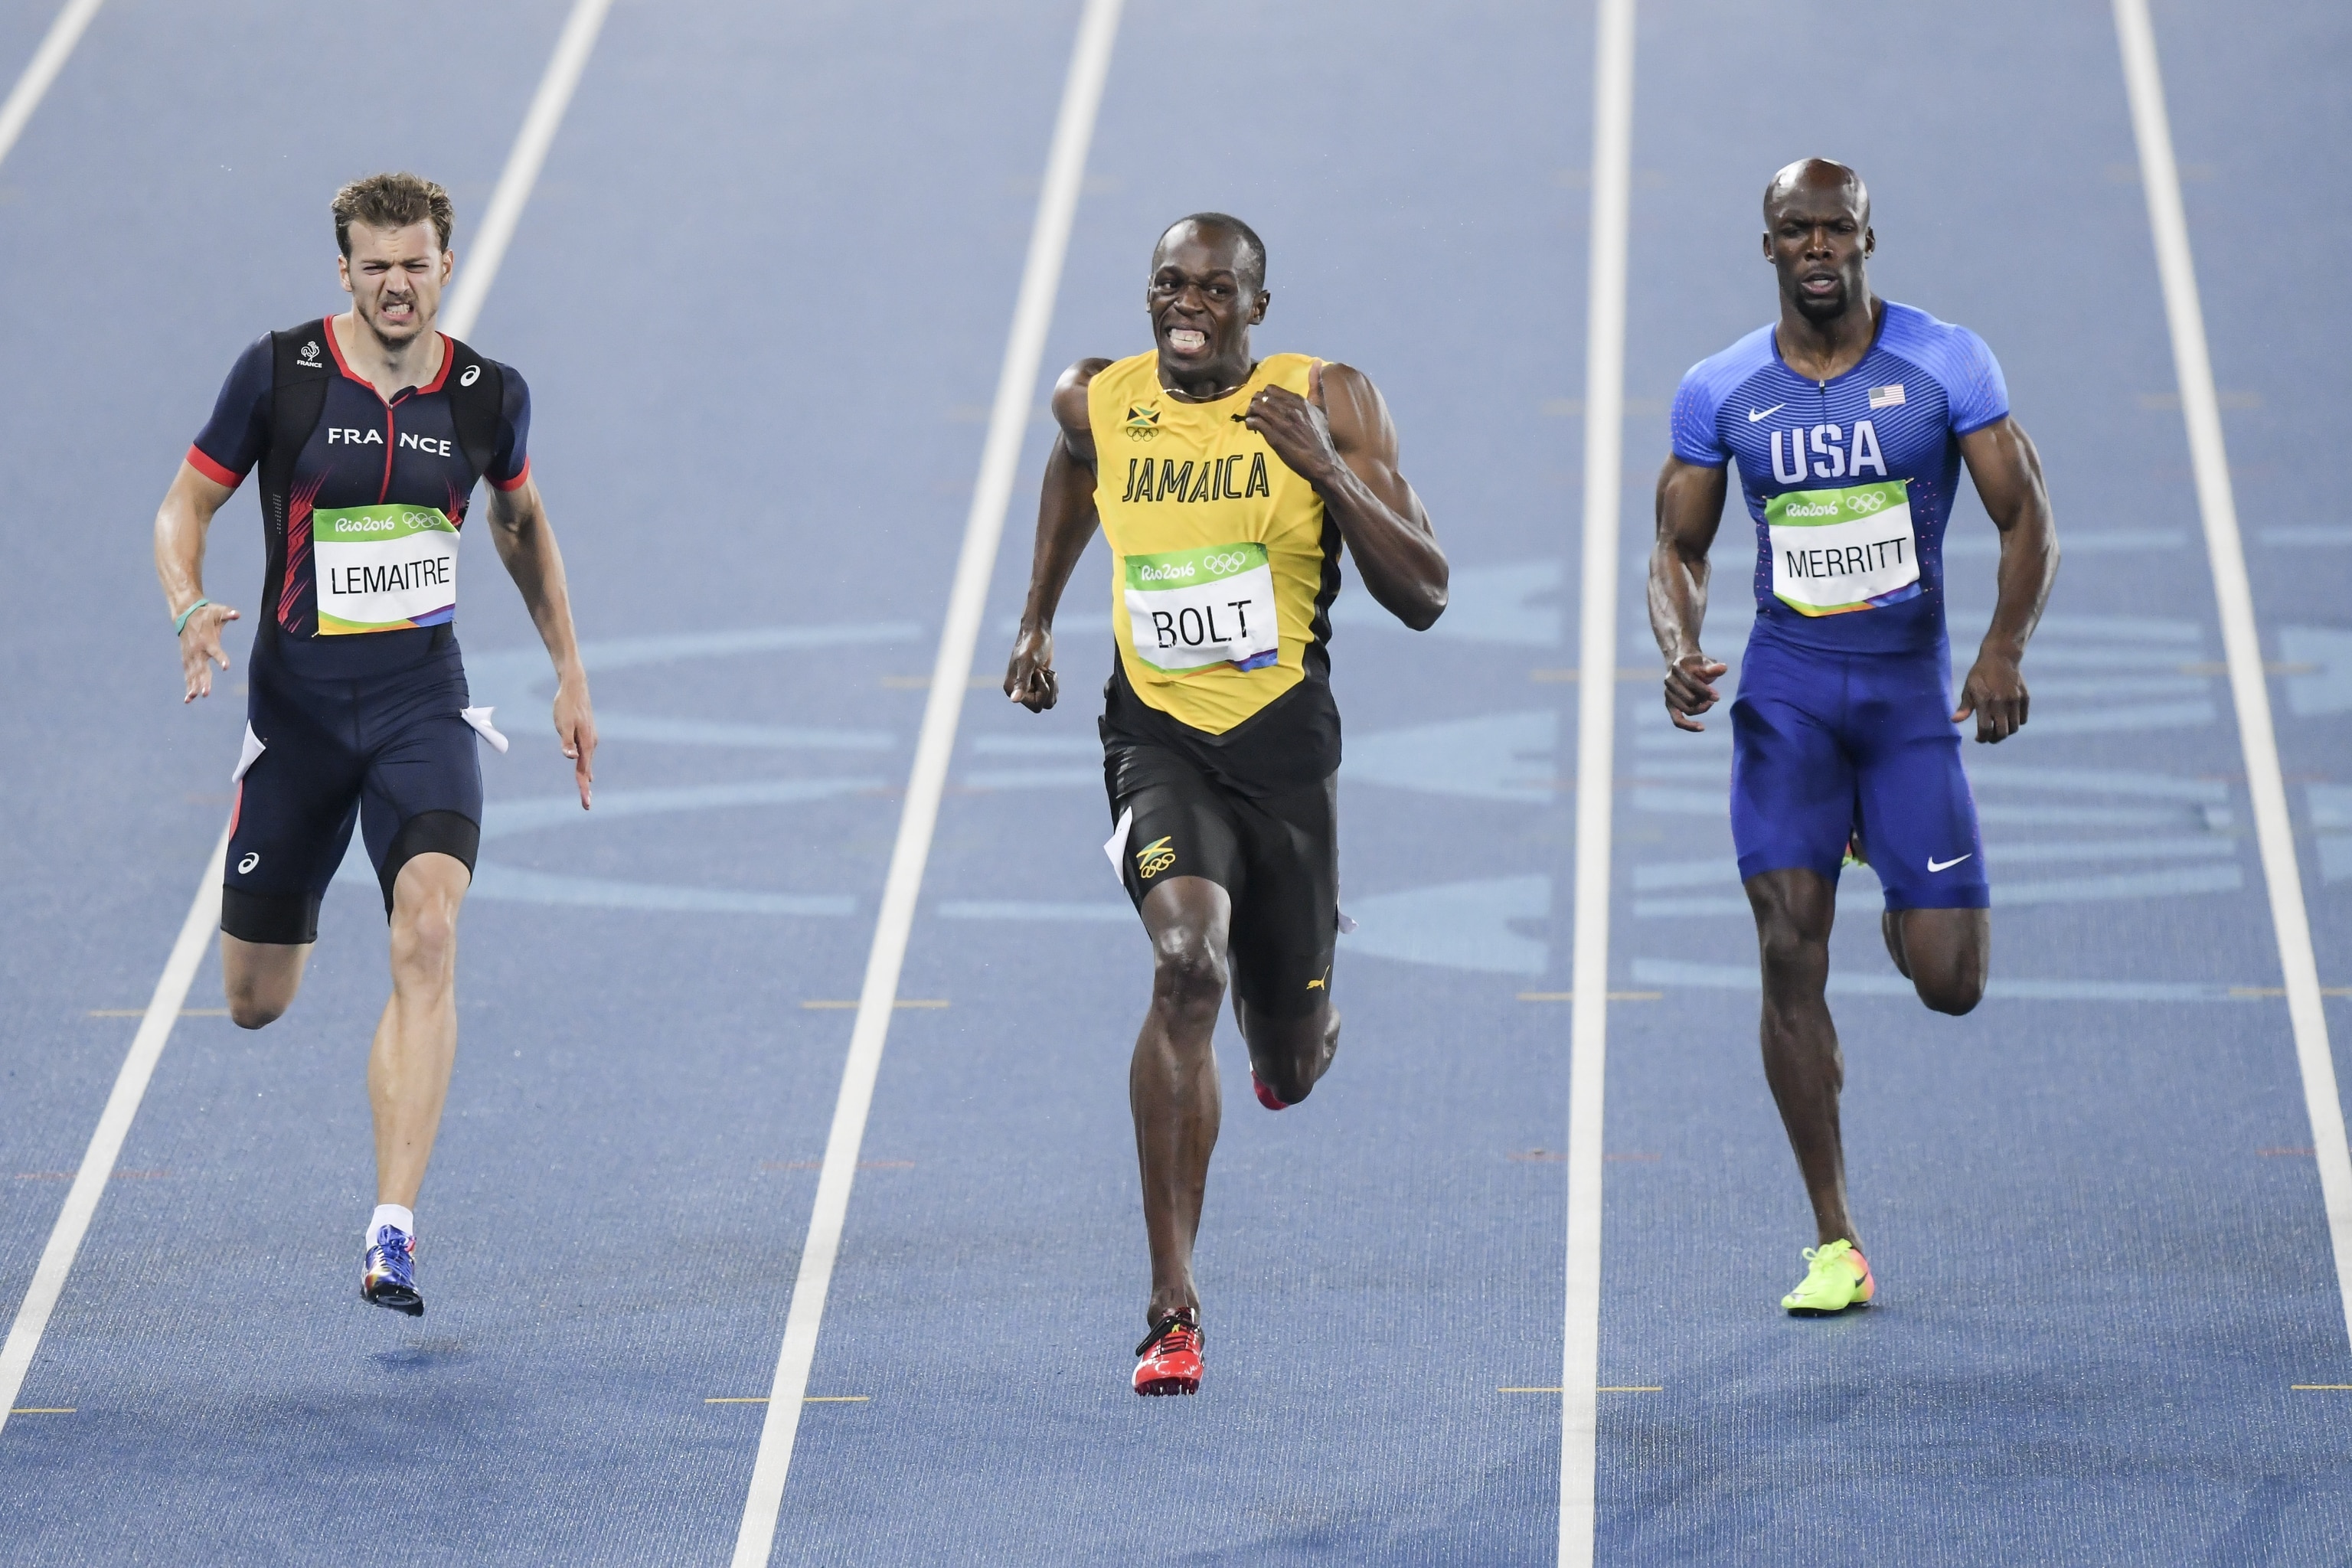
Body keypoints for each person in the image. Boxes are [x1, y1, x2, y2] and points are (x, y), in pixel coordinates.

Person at [1004, 214, 1448, 1394]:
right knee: (1187, 966)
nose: (1187, 305)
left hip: (1285, 755)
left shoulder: (1331, 399)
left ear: (1258, 305)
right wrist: (1038, 616)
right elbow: (1074, 467)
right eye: (1168, 284)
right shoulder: (1101, 397)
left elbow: (1428, 592)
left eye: (1214, 290)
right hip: (1158, 744)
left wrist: (1331, 471)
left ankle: (1302, 995)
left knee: (1288, 1064)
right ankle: (1171, 1302)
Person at [152, 172, 596, 1317]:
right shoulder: (282, 375)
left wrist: (569, 674)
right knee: (255, 1001)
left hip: (418, 710)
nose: (397, 284)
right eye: (375, 265)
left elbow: (521, 523)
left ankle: (392, 1227)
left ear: (446, 265)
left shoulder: (490, 397)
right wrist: (185, 601)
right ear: (344, 271)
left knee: (430, 932)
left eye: (417, 263)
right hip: (298, 724)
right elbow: (183, 508)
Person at [1649, 158, 2057, 1315]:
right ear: (1766, 244)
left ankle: (1887, 862)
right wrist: (1678, 641)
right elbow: (1676, 548)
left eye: (1840, 231)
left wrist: (2003, 650)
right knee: (1787, 944)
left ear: (1870, 239)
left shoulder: (1944, 364)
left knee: (1952, 983)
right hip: (1787, 691)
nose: (1819, 250)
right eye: (1798, 231)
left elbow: (2027, 518)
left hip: (1901, 699)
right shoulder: (1721, 389)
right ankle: (1835, 1237)